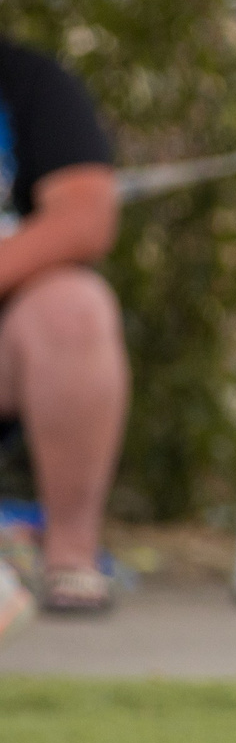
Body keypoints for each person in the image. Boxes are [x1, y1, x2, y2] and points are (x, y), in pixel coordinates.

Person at [0, 40, 125, 619]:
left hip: (11, 333)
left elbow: (86, 216)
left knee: (76, 307)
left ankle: (69, 559)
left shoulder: (29, 83)